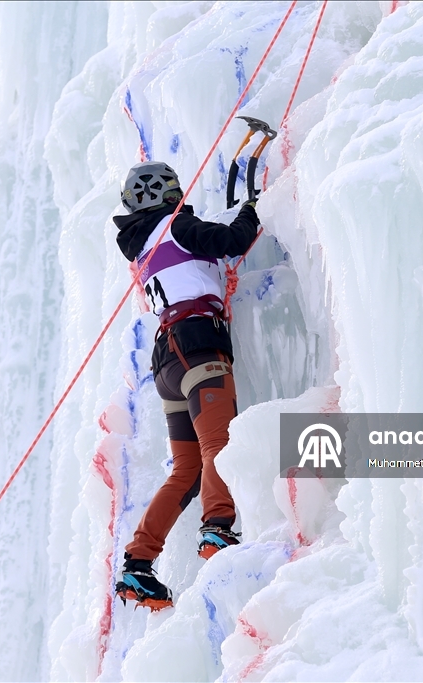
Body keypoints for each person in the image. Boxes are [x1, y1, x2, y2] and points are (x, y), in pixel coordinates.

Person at [112, 161, 260, 610]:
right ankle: (217, 526)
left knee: (187, 470)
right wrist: (251, 209)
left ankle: (138, 564)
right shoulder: (175, 226)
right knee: (219, 442)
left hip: (167, 362)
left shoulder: (141, 246)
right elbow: (231, 241)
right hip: (198, 344)